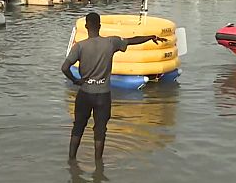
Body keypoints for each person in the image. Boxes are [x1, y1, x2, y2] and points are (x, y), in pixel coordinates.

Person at [61, 12, 165, 160]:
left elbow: (65, 68)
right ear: (100, 26)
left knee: (78, 127)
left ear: (86, 26)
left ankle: (71, 160)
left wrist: (75, 81)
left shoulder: (80, 47)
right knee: (100, 130)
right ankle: (98, 164)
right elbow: (132, 41)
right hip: (103, 95)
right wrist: (151, 37)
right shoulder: (111, 43)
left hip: (85, 93)